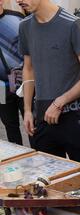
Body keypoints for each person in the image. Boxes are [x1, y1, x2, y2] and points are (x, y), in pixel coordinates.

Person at [17, 0, 80, 166]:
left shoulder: (72, 23)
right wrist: (28, 110)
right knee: (49, 179)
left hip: (73, 114)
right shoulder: (24, 26)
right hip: (41, 116)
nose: (18, 0)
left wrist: (60, 102)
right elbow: (28, 68)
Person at [0, 0, 25, 145]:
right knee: (10, 126)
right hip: (0, 86)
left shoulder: (18, 18)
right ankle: (18, 162)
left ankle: (38, 155)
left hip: (22, 79)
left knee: (32, 122)